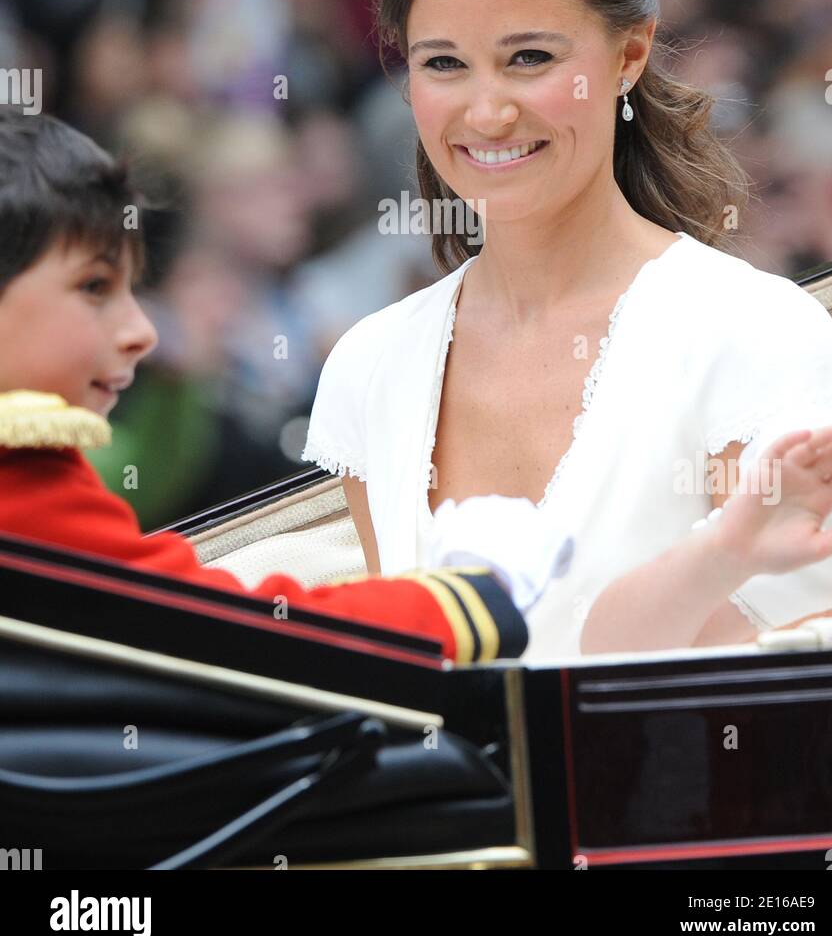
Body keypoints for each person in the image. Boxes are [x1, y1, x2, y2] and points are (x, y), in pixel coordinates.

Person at [301, 0, 832, 660]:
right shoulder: (368, 367)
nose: (486, 112)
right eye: (444, 63)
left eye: (528, 58)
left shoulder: (753, 336)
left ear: (629, 51)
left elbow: (776, 701)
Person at [0, 106, 559, 666]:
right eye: (94, 286)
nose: (141, 331)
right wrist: (467, 599)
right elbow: (232, 633)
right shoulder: (24, 476)